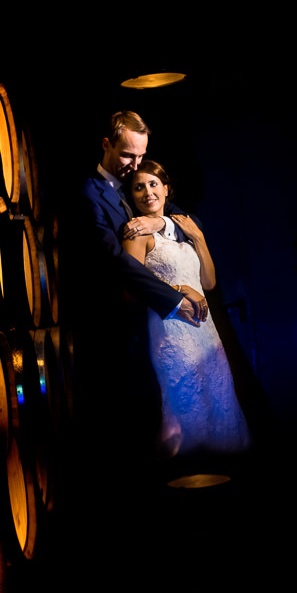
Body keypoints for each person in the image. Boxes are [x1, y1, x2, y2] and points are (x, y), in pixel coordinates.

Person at [67, 111, 209, 464]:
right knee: (137, 430)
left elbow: (189, 221)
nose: (136, 164)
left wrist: (158, 219)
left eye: (142, 156)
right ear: (106, 145)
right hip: (118, 330)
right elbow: (118, 262)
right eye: (129, 155)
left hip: (154, 331)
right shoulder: (89, 193)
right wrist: (175, 297)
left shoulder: (137, 183)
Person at [122, 160, 250, 458]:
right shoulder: (136, 234)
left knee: (219, 400)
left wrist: (199, 237)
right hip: (171, 332)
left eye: (153, 184)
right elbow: (130, 293)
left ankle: (228, 469)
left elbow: (208, 281)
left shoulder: (183, 228)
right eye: (138, 187)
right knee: (185, 405)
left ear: (166, 189)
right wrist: (179, 289)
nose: (147, 192)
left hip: (206, 334)